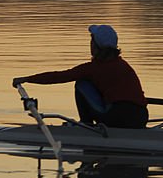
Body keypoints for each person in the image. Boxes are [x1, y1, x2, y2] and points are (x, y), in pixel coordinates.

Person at [12, 24, 149, 128]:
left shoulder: (93, 68)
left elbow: (59, 77)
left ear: (96, 47)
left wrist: (27, 79)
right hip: (141, 117)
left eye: (92, 41)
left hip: (116, 118)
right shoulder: (124, 66)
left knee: (82, 83)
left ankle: (86, 124)